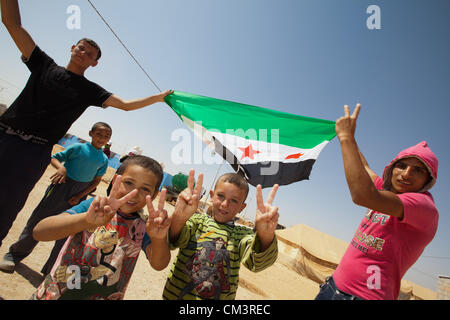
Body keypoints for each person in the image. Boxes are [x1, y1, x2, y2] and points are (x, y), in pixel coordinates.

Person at [0, 0, 173, 249]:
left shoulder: (89, 90)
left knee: (8, 203)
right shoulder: (43, 64)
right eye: (81, 48)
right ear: (72, 48)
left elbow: (125, 104)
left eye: (90, 54)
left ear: (94, 63)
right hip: (4, 135)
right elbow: (12, 24)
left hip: (34, 151)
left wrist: (158, 98)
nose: (84, 53)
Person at [315, 104, 439, 300]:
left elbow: (363, 195)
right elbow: (364, 168)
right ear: (392, 169)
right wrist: (348, 136)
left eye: (418, 170)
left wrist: (346, 138)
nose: (406, 173)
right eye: (402, 165)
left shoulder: (423, 208)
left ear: (428, 180)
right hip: (333, 286)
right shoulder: (387, 192)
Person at [30, 155, 171, 300]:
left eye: (145, 189)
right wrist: (86, 220)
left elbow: (159, 264)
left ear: (153, 196)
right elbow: (39, 232)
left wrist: (158, 239)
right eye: (128, 182)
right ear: (116, 179)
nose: (133, 193)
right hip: (55, 294)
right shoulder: (94, 207)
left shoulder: (143, 227)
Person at [0, 122, 112, 274]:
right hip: (61, 186)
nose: (102, 138)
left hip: (79, 194)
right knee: (38, 220)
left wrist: (79, 196)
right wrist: (61, 168)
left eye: (106, 136)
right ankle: (14, 255)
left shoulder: (103, 159)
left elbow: (96, 181)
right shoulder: (77, 148)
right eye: (99, 134)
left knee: (67, 231)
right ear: (90, 133)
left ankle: (51, 270)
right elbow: (54, 158)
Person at [163, 171, 279, 300]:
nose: (225, 204)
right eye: (221, 196)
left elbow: (256, 263)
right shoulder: (197, 221)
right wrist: (179, 217)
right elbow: (174, 239)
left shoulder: (242, 235)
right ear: (212, 196)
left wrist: (265, 236)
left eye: (234, 201)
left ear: (242, 207)